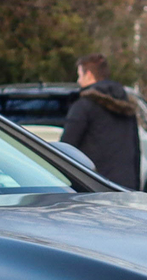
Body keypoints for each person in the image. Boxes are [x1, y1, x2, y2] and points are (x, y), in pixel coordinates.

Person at [58, 53, 140, 188]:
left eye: (79, 75)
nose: (78, 81)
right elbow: (135, 151)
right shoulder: (127, 106)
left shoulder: (83, 106)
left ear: (89, 74)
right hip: (125, 187)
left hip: (94, 187)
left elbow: (66, 149)